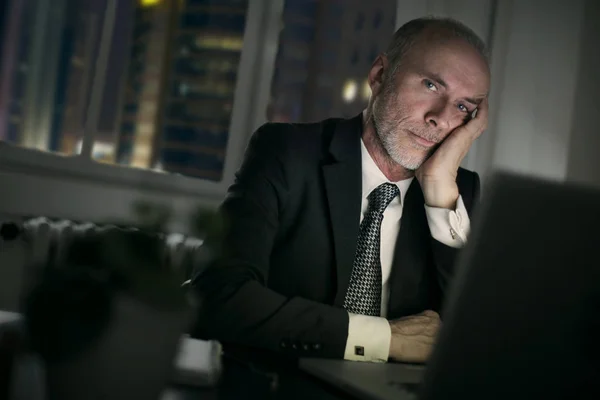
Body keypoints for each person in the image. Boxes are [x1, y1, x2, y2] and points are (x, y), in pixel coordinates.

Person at [192, 16, 491, 365]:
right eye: (430, 85)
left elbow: (477, 341)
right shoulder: (287, 152)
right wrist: (384, 339)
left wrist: (440, 187)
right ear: (380, 75)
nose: (440, 118)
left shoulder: (456, 195)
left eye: (462, 108)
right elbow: (215, 296)